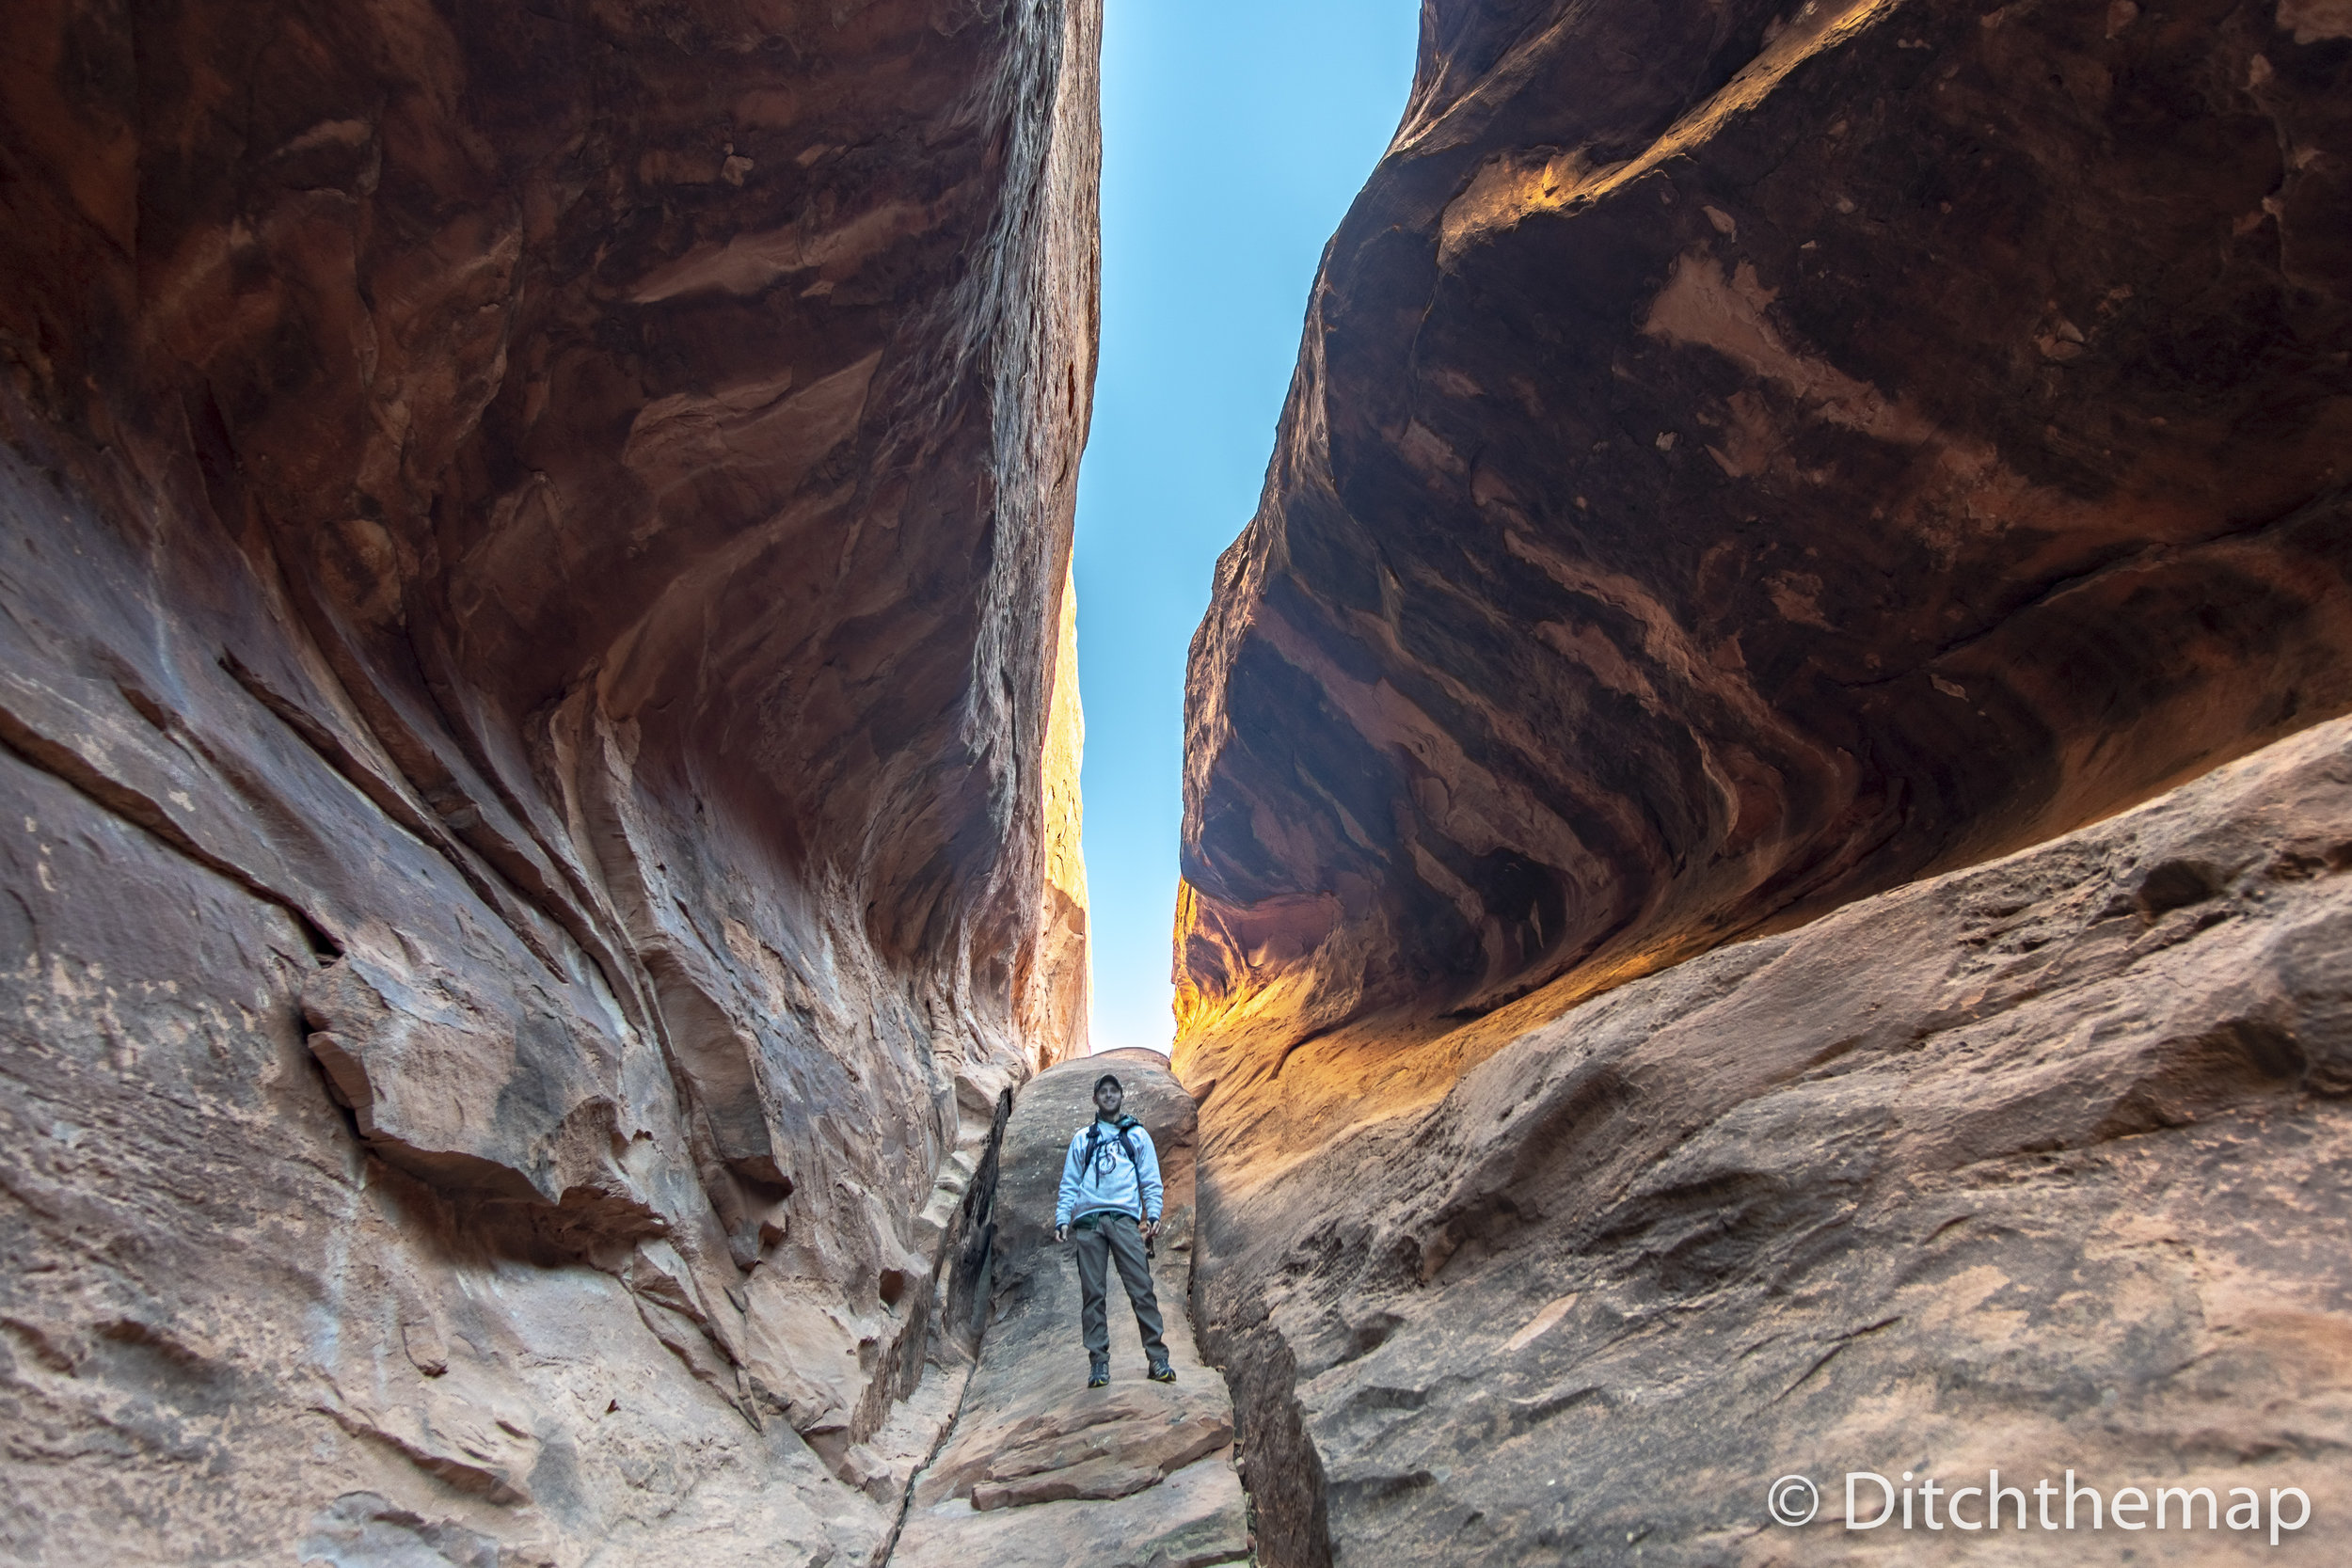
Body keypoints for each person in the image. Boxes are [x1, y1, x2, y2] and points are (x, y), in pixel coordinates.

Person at [1054, 1073, 1174, 1387]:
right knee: (1093, 1294)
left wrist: (1154, 1212)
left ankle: (1158, 1358)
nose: (1108, 1096)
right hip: (1089, 1222)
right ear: (1095, 1099)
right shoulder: (1083, 1138)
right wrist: (1062, 1218)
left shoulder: (1136, 1135)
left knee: (1141, 1287)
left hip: (1124, 1219)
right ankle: (1098, 1364)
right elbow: (1069, 1181)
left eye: (1113, 1091)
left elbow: (1150, 1177)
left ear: (1121, 1096)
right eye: (1103, 1092)